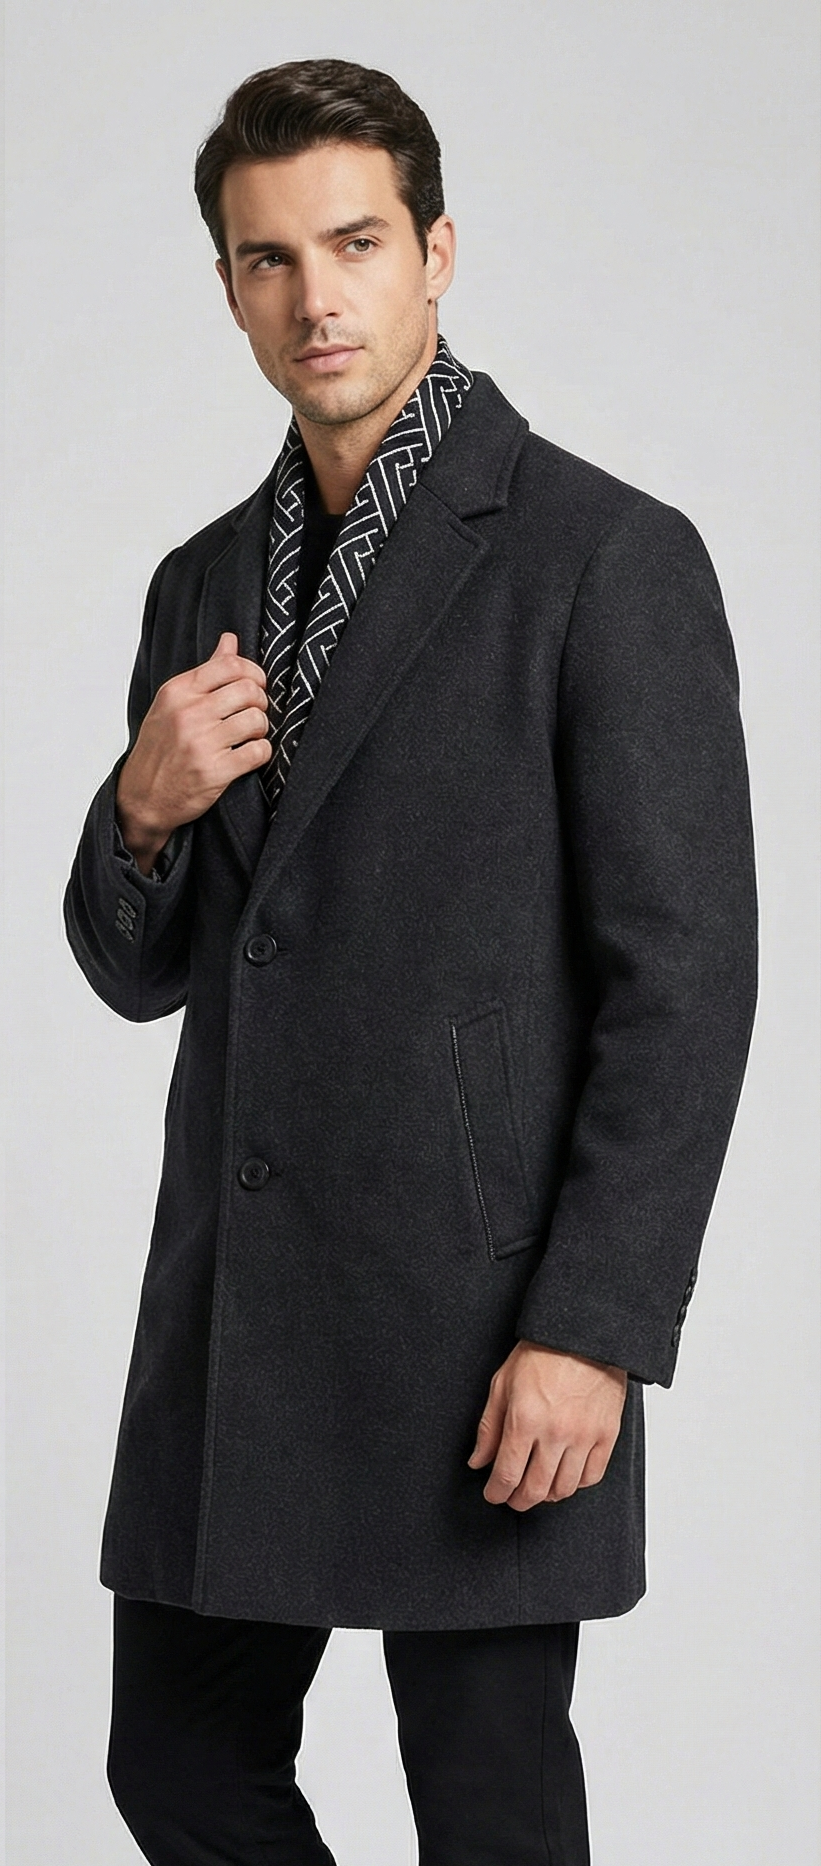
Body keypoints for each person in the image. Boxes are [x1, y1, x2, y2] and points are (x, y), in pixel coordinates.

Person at [63, 57, 758, 1866]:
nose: (318, 296)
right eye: (270, 258)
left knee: (492, 1817)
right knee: (176, 1765)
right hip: (243, 1319)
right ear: (230, 289)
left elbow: (686, 979)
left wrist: (594, 1328)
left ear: (437, 252)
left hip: (483, 1329)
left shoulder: (605, 557)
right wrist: (141, 811)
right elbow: (144, 972)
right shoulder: (200, 581)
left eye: (356, 243)